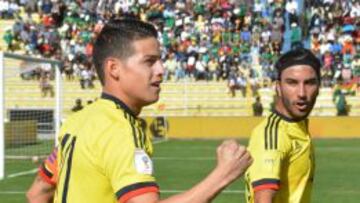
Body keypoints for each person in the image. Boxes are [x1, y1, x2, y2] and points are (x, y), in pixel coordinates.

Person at [54, 19, 252, 203]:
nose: (161, 69)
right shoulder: (120, 129)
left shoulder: (76, 121)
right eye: (149, 61)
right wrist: (224, 173)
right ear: (114, 68)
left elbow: (38, 191)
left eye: (159, 60)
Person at [245, 48, 321, 203]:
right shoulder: (273, 134)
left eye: (309, 83)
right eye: (292, 83)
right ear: (278, 87)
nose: (301, 93)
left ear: (318, 87)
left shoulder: (297, 127)